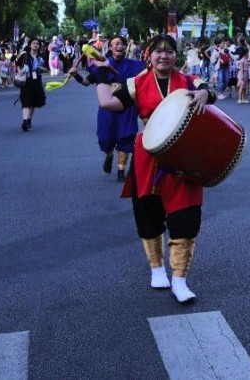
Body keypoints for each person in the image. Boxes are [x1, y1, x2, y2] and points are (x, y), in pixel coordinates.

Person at [92, 34, 214, 303]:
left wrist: (205, 92)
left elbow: (209, 91)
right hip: (148, 155)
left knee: (186, 218)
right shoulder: (137, 83)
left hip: (183, 158)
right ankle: (157, 268)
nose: (164, 56)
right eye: (158, 51)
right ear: (149, 55)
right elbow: (107, 103)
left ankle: (180, 279)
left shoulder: (188, 80)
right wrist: (101, 74)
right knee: (148, 215)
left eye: (169, 51)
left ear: (176, 55)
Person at [91, 35, 144, 180]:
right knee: (105, 138)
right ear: (110, 47)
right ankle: (109, 155)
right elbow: (86, 81)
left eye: (122, 44)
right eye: (116, 44)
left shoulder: (135, 65)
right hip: (107, 107)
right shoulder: (102, 64)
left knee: (126, 138)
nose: (119, 46)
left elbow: (148, 75)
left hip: (127, 106)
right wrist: (75, 74)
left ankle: (121, 170)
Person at [15, 38, 48, 132]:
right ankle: (25, 121)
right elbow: (17, 64)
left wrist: (42, 69)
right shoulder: (24, 55)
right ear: (30, 45)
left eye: (37, 43)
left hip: (37, 81)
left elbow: (45, 69)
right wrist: (19, 71)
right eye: (34, 43)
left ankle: (29, 119)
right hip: (26, 81)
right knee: (25, 101)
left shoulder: (41, 56)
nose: (36, 45)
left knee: (33, 102)